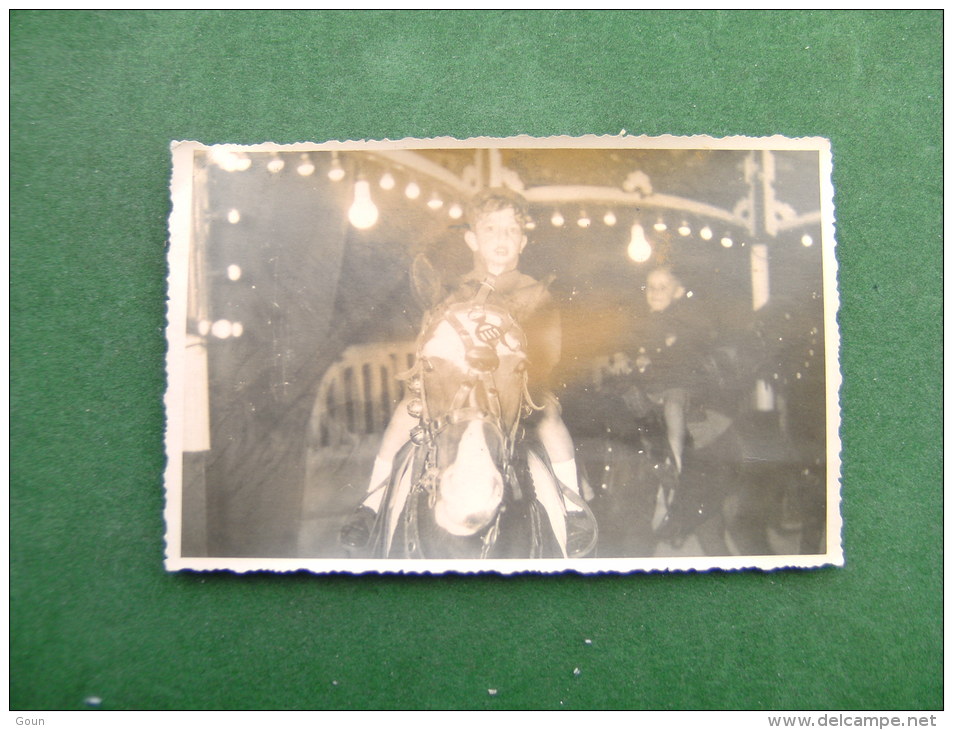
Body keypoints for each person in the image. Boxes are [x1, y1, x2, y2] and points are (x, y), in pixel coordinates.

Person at [340, 187, 587, 550]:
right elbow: (429, 343)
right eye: (490, 229)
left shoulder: (535, 293)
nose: (502, 238)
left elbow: (548, 354)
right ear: (472, 238)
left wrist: (524, 379)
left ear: (523, 242)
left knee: (549, 418)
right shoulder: (451, 291)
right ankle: (372, 503)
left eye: (511, 230)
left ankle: (572, 507)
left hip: (512, 390)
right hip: (453, 391)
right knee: (403, 415)